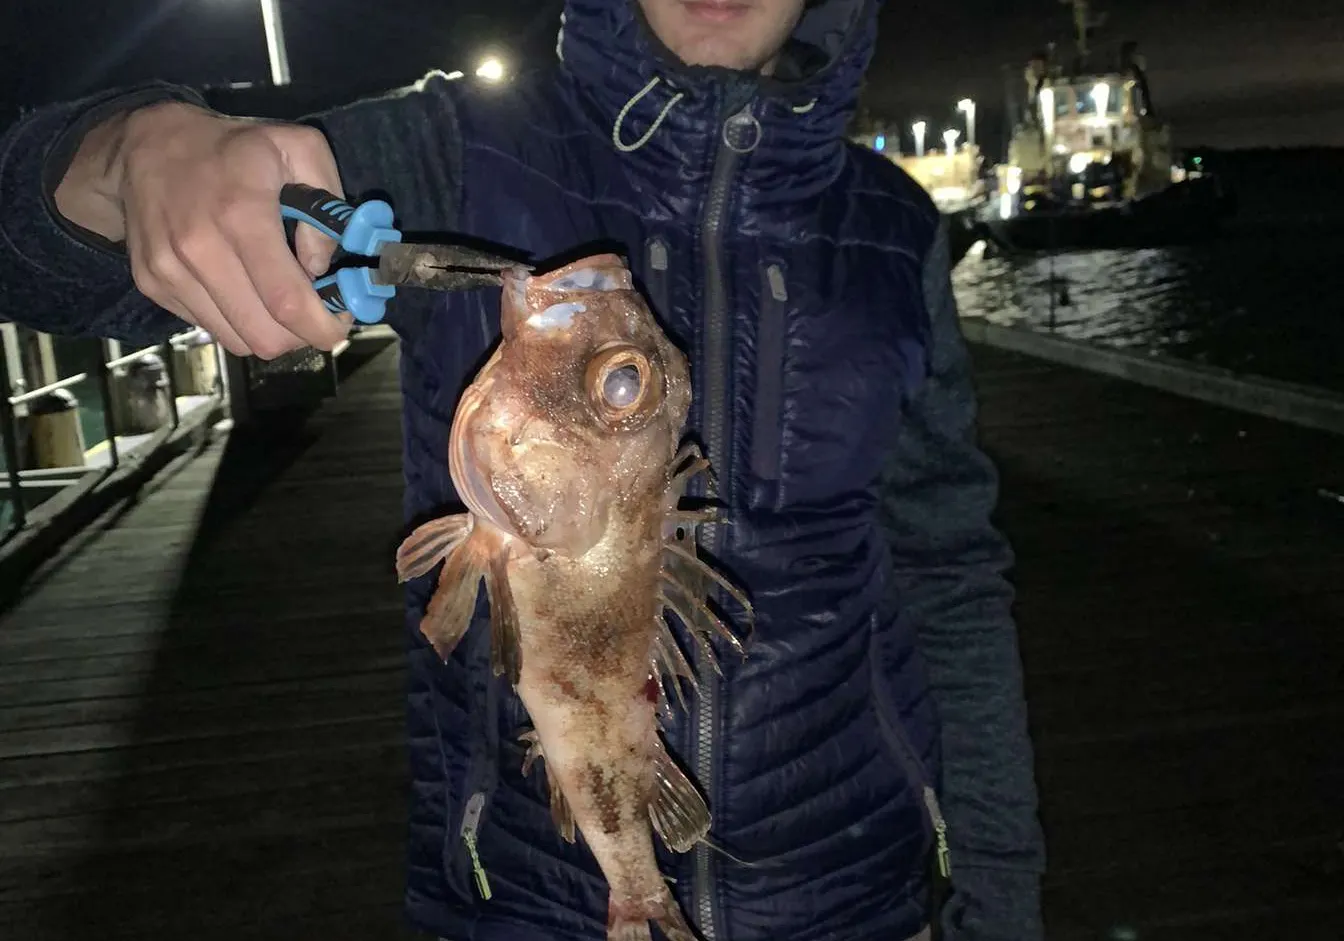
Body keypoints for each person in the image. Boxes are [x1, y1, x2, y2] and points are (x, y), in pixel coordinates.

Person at [0, 1, 1046, 939]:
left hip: (862, 892)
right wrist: (133, 154)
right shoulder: (451, 154)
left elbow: (950, 577)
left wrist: (999, 893)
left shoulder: (896, 231)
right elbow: (35, 260)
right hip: (527, 904)